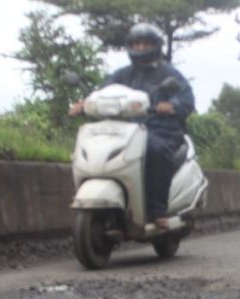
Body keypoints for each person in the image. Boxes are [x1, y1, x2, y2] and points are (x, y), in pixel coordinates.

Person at [70, 23, 196, 229]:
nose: (140, 47)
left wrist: (171, 105)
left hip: (160, 129)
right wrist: (84, 104)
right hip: (123, 130)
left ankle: (157, 211)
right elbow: (102, 93)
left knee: (154, 150)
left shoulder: (169, 74)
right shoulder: (120, 76)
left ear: (156, 46)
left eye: (145, 43)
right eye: (136, 43)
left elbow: (187, 99)